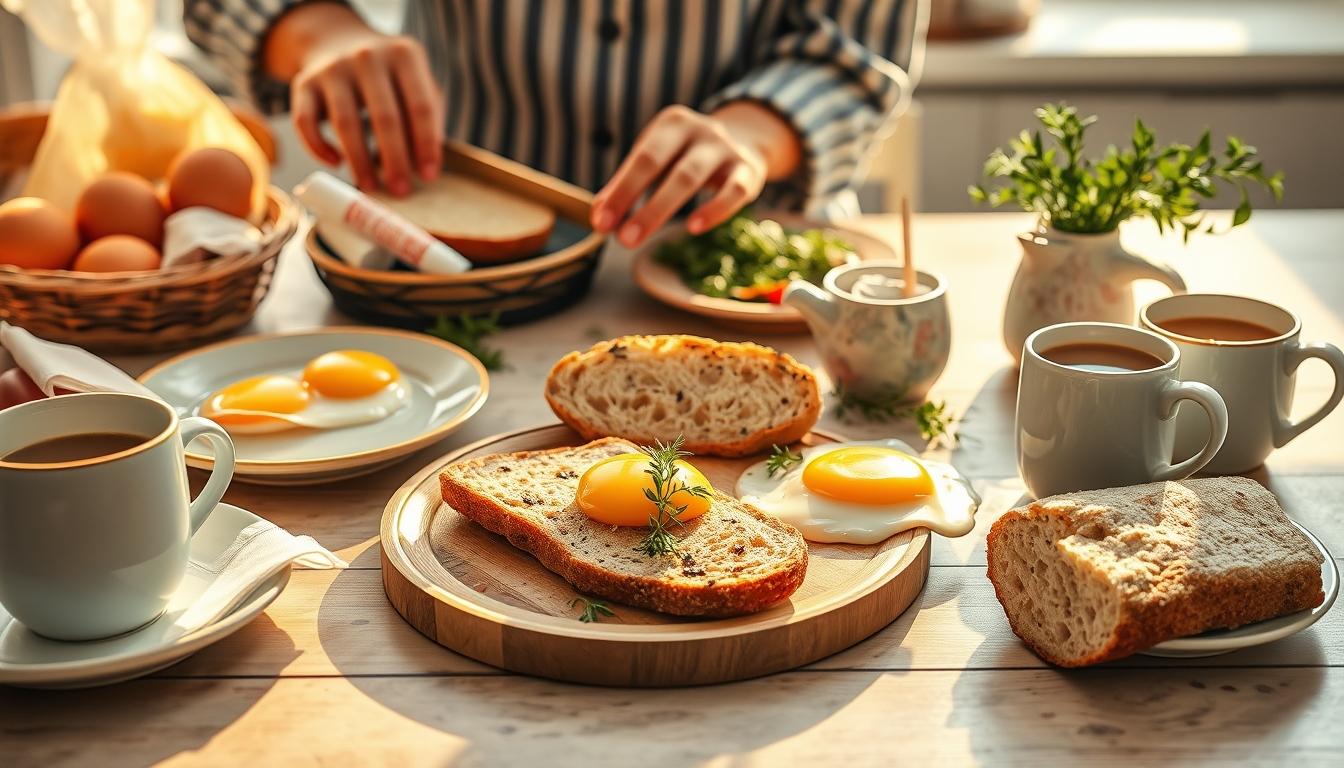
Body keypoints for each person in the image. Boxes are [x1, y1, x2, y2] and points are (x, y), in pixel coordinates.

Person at [186, 1, 925, 248]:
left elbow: (857, 49)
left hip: (736, 264)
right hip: (442, 262)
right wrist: (318, 32)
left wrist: (754, 133)